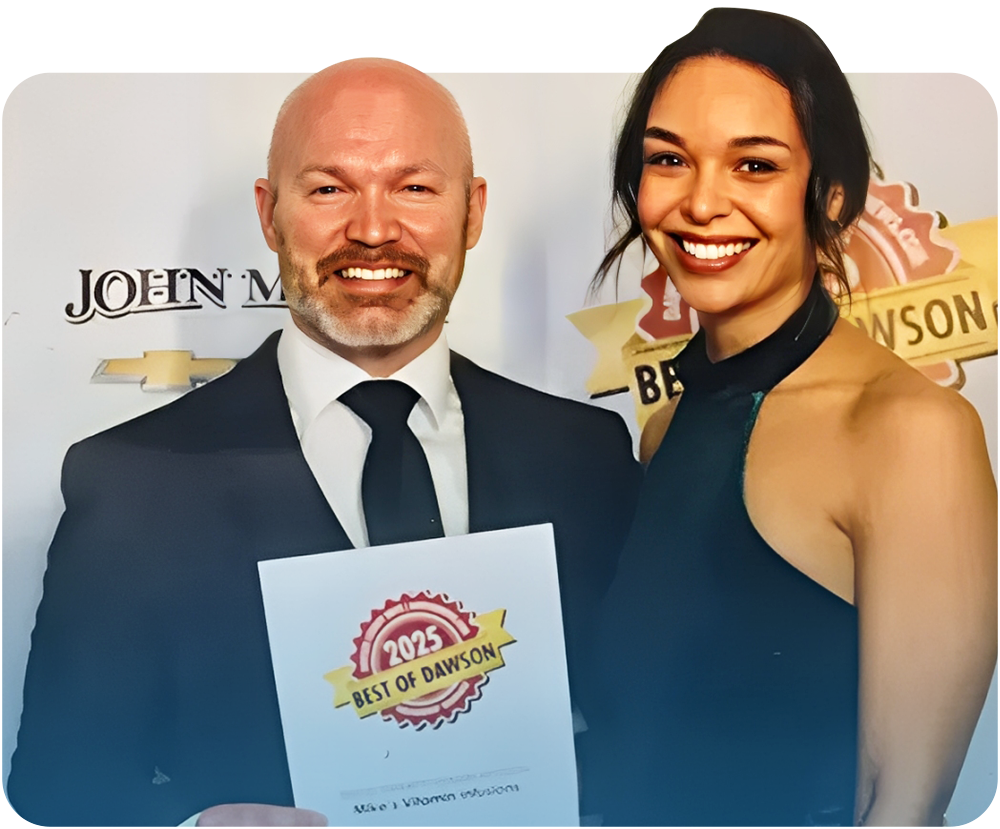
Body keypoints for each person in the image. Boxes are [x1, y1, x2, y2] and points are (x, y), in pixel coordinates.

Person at [8, 59, 641, 828]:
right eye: (328, 188)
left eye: (414, 187)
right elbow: (58, 781)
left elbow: (642, 728)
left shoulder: (586, 454)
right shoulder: (132, 480)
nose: (372, 229)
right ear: (269, 213)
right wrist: (198, 825)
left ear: (472, 212)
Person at [582, 8, 997, 827]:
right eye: (669, 159)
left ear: (831, 195)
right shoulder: (664, 427)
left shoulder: (910, 432)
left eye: (754, 164)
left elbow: (902, 809)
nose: (703, 203)